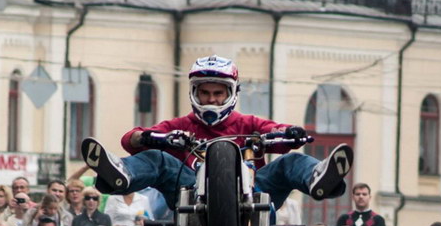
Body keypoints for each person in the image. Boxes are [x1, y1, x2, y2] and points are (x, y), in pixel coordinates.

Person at [84, 55, 352, 216]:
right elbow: (130, 138)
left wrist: (289, 134)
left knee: (292, 162)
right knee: (157, 158)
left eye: (218, 93)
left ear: (231, 93)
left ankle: (320, 177)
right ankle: (120, 175)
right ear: (195, 93)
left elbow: (276, 132)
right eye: (205, 93)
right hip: (191, 194)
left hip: (254, 193)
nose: (211, 100)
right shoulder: (181, 124)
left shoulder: (248, 123)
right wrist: (153, 139)